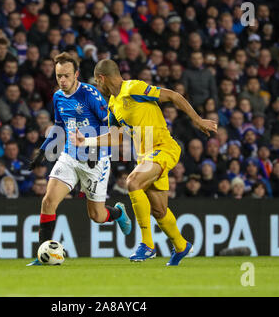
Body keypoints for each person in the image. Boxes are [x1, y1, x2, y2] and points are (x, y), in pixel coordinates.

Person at [71, 59, 217, 265]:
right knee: (159, 211)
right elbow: (116, 136)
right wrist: (85, 140)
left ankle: (147, 245)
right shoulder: (113, 103)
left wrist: (198, 120)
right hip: (146, 156)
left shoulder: (134, 88)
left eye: (97, 82)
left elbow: (173, 96)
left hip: (163, 149)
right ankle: (181, 245)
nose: (97, 86)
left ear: (102, 78)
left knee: (133, 182)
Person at [27, 52, 131, 266]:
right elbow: (59, 126)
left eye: (66, 76)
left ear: (76, 74)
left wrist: (95, 148)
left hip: (96, 161)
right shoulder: (57, 97)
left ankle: (118, 213)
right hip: (70, 156)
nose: (62, 81)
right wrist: (43, 151)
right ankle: (42, 255)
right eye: (58, 76)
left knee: (97, 216)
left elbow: (111, 127)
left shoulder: (90, 94)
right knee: (48, 202)